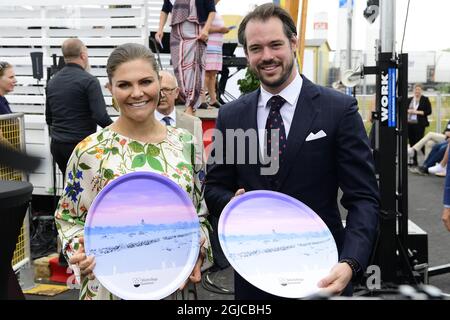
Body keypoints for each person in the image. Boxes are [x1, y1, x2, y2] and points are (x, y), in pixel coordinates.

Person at [204, 3, 379, 299]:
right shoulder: (232, 116)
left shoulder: (338, 110)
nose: (267, 56)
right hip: (254, 277)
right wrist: (234, 203)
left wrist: (351, 262)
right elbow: (215, 187)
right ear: (247, 54)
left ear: (294, 43)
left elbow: (363, 198)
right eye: (256, 48)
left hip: (324, 274)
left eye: (275, 45)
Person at [54, 43, 212, 300]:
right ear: (110, 90)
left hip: (170, 285)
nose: (137, 93)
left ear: (159, 85)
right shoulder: (90, 152)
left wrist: (199, 250)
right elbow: (68, 219)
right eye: (124, 85)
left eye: (146, 81)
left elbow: (199, 214)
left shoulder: (186, 145)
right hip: (108, 288)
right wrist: (78, 253)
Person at [45, 38, 113, 178]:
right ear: (83, 55)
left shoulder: (53, 81)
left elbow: (49, 118)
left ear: (65, 57)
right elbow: (100, 116)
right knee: (86, 188)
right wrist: (120, 129)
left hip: (58, 146)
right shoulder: (89, 81)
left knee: (69, 187)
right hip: (81, 146)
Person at [155, 0, 216, 115]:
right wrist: (160, 29)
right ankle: (188, 103)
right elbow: (165, 8)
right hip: (177, 33)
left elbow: (212, 10)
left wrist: (206, 30)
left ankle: (191, 105)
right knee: (179, 70)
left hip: (196, 31)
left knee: (195, 69)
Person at [156, 70, 204, 151]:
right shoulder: (142, 123)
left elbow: (199, 160)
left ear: (177, 92)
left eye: (166, 90)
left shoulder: (193, 123)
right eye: (158, 90)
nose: (162, 95)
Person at [199, 0, 230, 109]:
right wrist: (220, 29)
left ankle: (213, 99)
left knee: (213, 74)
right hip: (209, 44)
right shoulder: (205, 10)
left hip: (217, 46)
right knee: (206, 73)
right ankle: (202, 99)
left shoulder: (215, 11)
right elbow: (202, 28)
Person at [407, 83, 432, 166]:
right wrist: (408, 111)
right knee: (412, 141)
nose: (417, 91)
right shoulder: (409, 99)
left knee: (420, 141)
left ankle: (427, 160)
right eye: (416, 89)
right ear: (413, 90)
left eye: (419, 89)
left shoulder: (425, 99)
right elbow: (404, 109)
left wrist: (417, 112)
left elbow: (429, 111)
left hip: (420, 124)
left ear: (421, 91)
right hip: (410, 123)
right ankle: (414, 160)